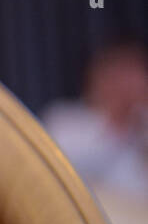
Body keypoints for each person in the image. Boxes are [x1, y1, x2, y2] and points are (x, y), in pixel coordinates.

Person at [43, 39, 148, 200]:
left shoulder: (142, 124)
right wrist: (117, 122)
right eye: (119, 75)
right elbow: (57, 169)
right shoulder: (64, 120)